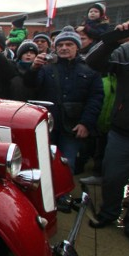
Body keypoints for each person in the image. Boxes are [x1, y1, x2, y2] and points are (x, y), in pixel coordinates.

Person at [84, 20, 129, 251]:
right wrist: (113, 37)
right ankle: (109, 213)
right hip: (125, 133)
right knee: (113, 178)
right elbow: (93, 61)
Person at [23, 30, 103, 176]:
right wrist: (34, 69)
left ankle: (62, 197)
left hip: (72, 126)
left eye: (69, 44)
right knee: (42, 163)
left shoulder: (89, 69)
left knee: (66, 164)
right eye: (60, 45)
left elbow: (95, 98)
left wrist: (86, 123)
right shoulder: (46, 67)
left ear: (77, 47)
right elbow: (30, 85)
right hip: (47, 125)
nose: (64, 48)